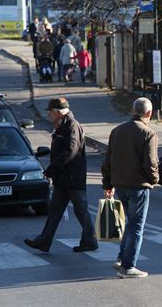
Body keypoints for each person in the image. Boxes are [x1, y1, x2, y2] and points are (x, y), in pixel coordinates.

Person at [24, 98, 97, 253]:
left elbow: (69, 153)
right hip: (62, 179)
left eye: (50, 112)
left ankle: (90, 240)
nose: (49, 115)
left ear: (58, 112)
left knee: (81, 210)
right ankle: (43, 242)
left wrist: (52, 169)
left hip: (72, 178)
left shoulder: (72, 126)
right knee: (55, 211)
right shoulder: (60, 126)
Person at [101, 97, 159, 279]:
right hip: (139, 186)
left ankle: (121, 257)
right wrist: (155, 179)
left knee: (129, 223)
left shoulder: (117, 131)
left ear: (133, 111)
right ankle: (128, 266)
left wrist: (108, 183)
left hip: (120, 185)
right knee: (136, 227)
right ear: (149, 113)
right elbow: (150, 163)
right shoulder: (149, 133)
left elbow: (108, 161)